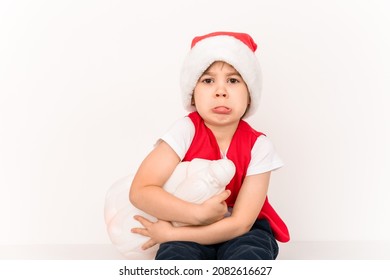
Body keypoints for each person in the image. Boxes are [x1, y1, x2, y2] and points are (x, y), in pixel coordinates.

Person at [129, 31, 290, 260]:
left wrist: (173, 233)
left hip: (243, 231)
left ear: (250, 95)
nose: (220, 91)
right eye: (207, 80)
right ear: (193, 94)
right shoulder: (185, 131)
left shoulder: (259, 146)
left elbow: (240, 223)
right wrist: (194, 217)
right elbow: (141, 191)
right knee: (176, 257)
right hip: (187, 226)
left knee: (250, 254)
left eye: (233, 81)